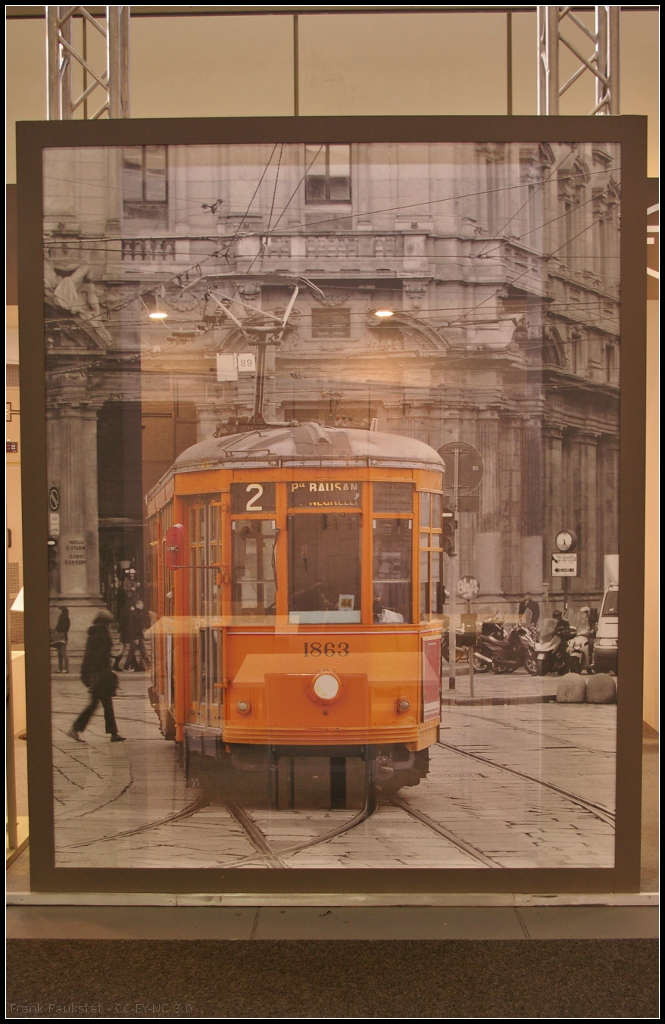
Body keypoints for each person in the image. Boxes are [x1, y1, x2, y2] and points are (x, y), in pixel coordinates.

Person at [67, 609, 125, 742]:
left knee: (104, 704)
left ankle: (113, 733)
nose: (110, 625)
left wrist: (87, 674)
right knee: (97, 705)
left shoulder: (94, 633)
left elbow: (90, 655)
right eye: (109, 622)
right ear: (106, 622)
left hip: (97, 674)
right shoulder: (102, 634)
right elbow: (98, 656)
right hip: (101, 675)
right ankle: (76, 728)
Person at [50, 606, 70, 673]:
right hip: (59, 637)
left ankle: (66, 669)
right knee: (59, 654)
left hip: (62, 637)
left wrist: (58, 632)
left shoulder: (65, 619)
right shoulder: (61, 618)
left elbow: (65, 628)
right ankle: (61, 668)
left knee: (63, 653)